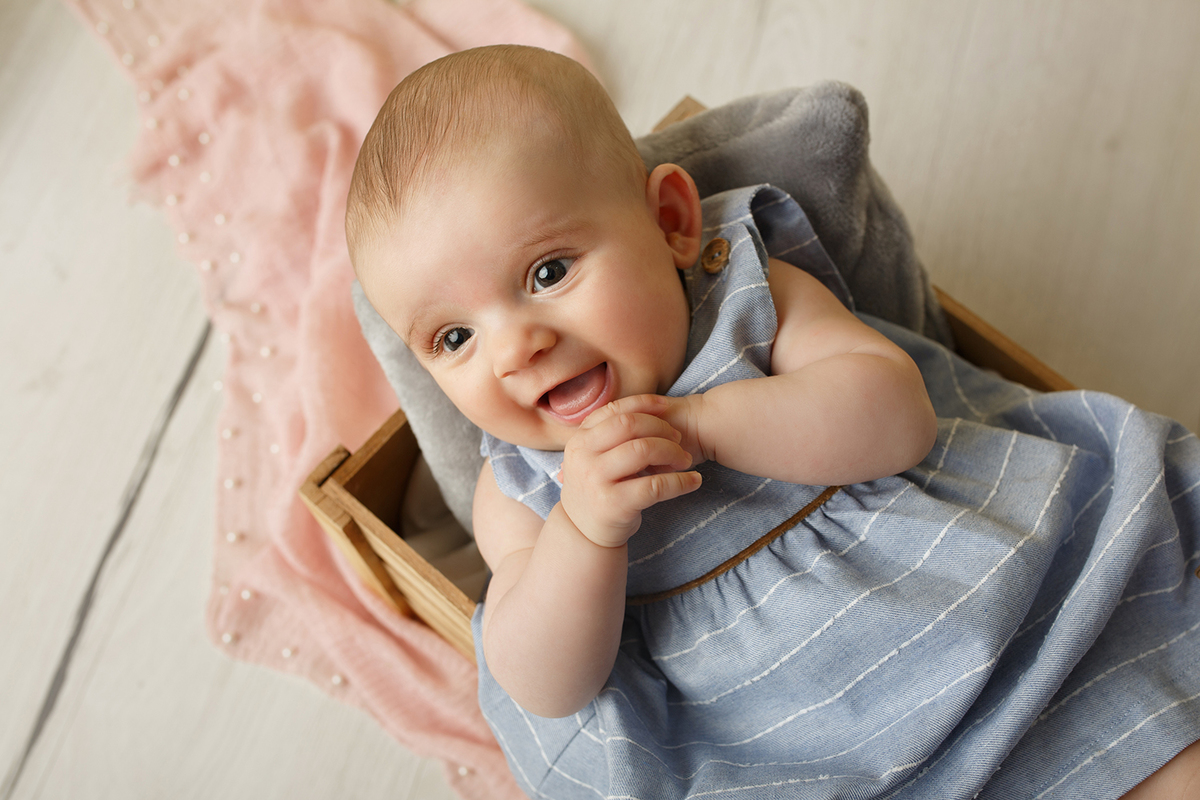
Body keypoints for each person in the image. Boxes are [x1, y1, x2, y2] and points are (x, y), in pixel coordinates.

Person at [347, 44, 1200, 800]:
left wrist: (711, 424)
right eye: (455, 337)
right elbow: (544, 681)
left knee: (1157, 733)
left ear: (671, 223)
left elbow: (896, 416)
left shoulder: (742, 295)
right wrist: (584, 531)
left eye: (548, 271)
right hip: (786, 746)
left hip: (984, 618)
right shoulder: (521, 487)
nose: (516, 348)